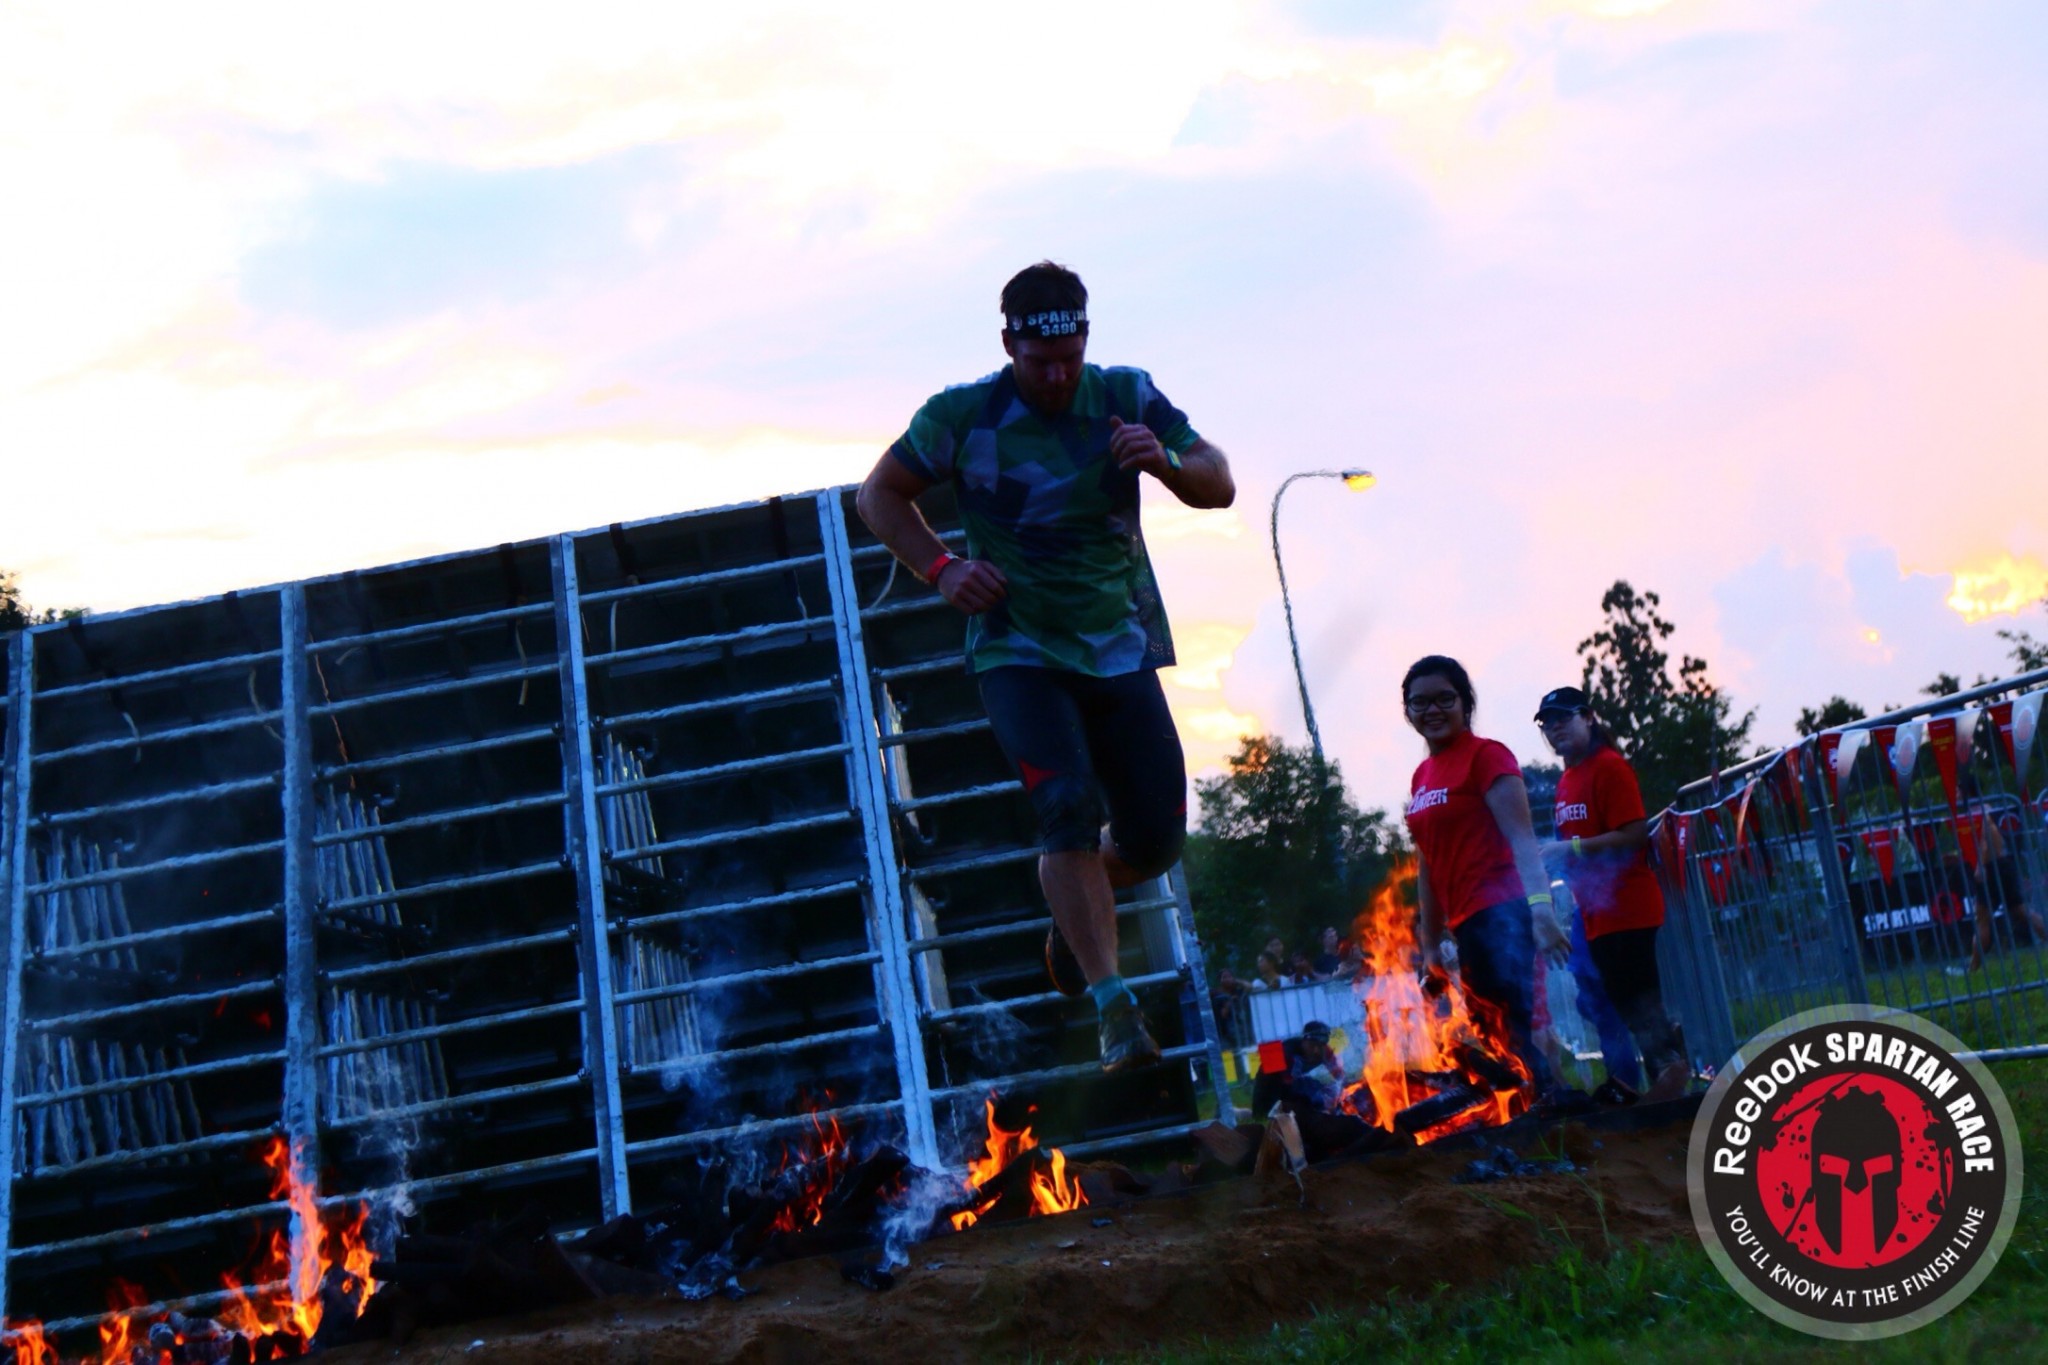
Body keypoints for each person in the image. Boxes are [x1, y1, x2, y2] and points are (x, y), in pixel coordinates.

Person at [856, 261, 1236, 1073]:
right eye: (1040, 363)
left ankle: (1074, 913)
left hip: (1118, 646)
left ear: (1086, 340)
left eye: (1069, 359)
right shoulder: (962, 415)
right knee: (1064, 808)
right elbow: (878, 494)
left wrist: (1165, 463)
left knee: (1156, 838)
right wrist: (942, 568)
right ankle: (1114, 1008)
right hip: (1018, 648)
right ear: (1009, 346)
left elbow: (1221, 482)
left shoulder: (1126, 395)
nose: (1058, 377)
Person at [1400, 656, 1570, 1096]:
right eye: (1420, 702)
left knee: (1517, 1028)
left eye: (1444, 699)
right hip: (1466, 924)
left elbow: (1523, 839)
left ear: (1465, 703)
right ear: (1408, 711)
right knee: (1494, 1032)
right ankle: (1538, 1108)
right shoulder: (1422, 776)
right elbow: (1428, 863)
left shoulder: (1487, 756)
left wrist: (1541, 911)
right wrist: (1430, 943)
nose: (1432, 710)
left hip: (1504, 913)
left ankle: (1556, 1111)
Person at [1534, 686, 1690, 1103]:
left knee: (1639, 999)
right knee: (1621, 1002)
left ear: (1588, 717)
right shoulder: (1567, 780)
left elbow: (1634, 834)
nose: (1555, 728)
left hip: (1629, 908)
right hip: (1595, 913)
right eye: (1547, 723)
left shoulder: (1609, 767)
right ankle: (1665, 1076)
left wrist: (1570, 849)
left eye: (1563, 718)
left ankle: (1671, 1078)